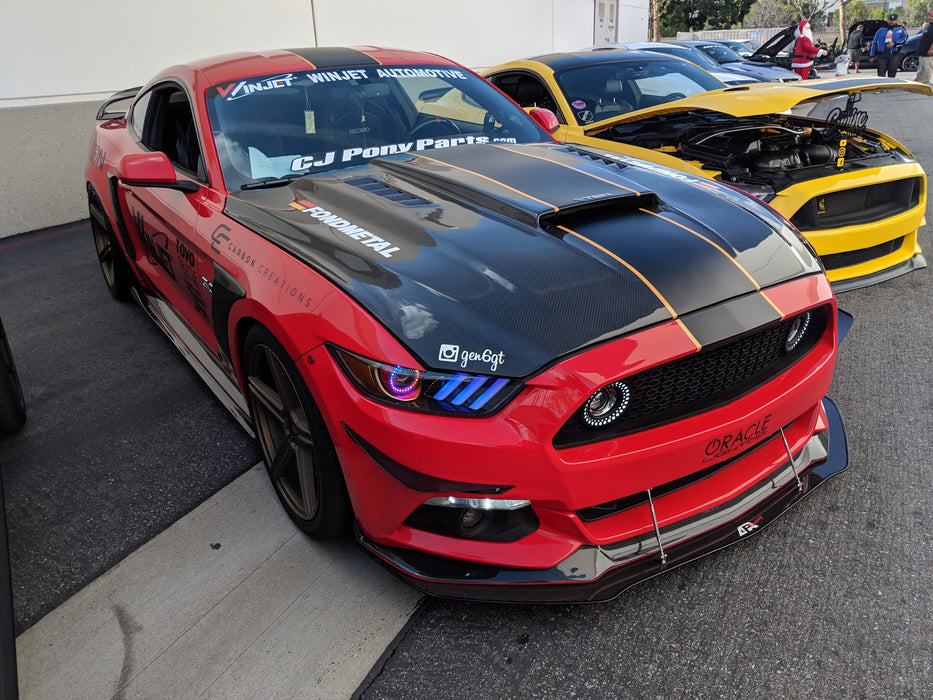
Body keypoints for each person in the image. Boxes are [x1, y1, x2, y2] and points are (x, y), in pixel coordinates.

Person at [916, 13, 933, 86]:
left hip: (928, 52)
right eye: (930, 16)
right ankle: (919, 81)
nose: (931, 17)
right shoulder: (929, 25)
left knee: (926, 69)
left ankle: (925, 84)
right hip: (923, 52)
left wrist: (931, 49)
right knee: (922, 69)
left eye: (932, 16)